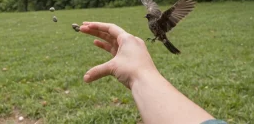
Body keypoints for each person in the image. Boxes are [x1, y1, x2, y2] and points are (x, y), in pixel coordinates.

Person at [79, 22, 227, 124]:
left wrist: (138, 75)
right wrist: (139, 75)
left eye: (149, 17)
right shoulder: (151, 19)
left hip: (162, 37)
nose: (148, 20)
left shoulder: (159, 21)